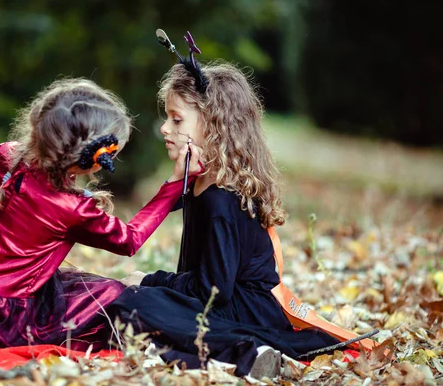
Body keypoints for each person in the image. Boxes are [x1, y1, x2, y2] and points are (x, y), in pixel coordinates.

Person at [109, 59, 343, 377]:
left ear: (213, 125)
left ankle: (250, 350)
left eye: (177, 120)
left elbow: (213, 291)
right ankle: (205, 349)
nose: (165, 128)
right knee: (133, 302)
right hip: (220, 304)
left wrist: (151, 281)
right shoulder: (200, 183)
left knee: (133, 304)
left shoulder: (221, 198)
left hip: (245, 312)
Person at [0, 77, 201, 351]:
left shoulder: (5, 155)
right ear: (95, 156)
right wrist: (176, 182)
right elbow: (129, 240)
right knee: (118, 296)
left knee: (77, 285)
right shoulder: (69, 206)